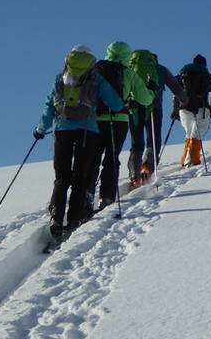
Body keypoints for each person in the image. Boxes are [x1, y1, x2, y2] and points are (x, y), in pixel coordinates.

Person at [34, 45, 123, 243]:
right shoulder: (95, 77)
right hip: (87, 130)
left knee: (61, 176)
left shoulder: (60, 77)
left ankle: (56, 217)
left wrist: (41, 129)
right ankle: (74, 219)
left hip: (62, 130)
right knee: (80, 175)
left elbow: (49, 104)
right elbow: (116, 103)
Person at [89, 41, 155, 210]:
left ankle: (87, 195)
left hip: (96, 120)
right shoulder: (128, 73)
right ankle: (107, 197)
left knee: (93, 158)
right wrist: (152, 90)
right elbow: (145, 99)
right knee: (111, 159)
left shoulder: (96, 70)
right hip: (119, 121)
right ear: (127, 55)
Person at [127, 49, 187, 185]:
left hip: (134, 109)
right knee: (153, 140)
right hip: (154, 108)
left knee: (136, 142)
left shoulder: (130, 68)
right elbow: (176, 88)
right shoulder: (160, 69)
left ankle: (134, 174)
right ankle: (147, 165)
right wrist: (184, 100)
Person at [172, 55, 211, 168]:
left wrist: (175, 110)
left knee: (189, 134)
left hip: (184, 108)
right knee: (196, 134)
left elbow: (176, 93)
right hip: (201, 108)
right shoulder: (206, 76)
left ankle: (185, 159)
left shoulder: (183, 74)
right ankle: (193, 160)